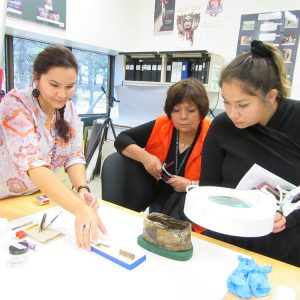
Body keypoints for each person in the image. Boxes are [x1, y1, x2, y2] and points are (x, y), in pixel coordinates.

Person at [199, 40, 300, 266]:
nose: (233, 113)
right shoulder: (222, 126)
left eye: (242, 105)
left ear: (271, 96)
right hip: (232, 229)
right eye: (226, 103)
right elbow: (208, 188)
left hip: (288, 236)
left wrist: (288, 218)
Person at [0, 45, 106, 250]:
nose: (62, 94)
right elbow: (34, 164)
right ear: (36, 78)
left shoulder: (69, 110)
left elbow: (74, 156)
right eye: (54, 85)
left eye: (69, 87)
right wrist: (78, 208)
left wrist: (82, 189)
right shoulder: (15, 105)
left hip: (33, 199)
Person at [114, 78, 211, 231]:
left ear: (201, 112)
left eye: (191, 110)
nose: (183, 116)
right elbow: (122, 139)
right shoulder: (163, 124)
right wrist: (146, 157)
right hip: (159, 203)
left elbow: (224, 184)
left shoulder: (212, 134)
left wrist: (191, 185)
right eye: (176, 110)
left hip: (195, 210)